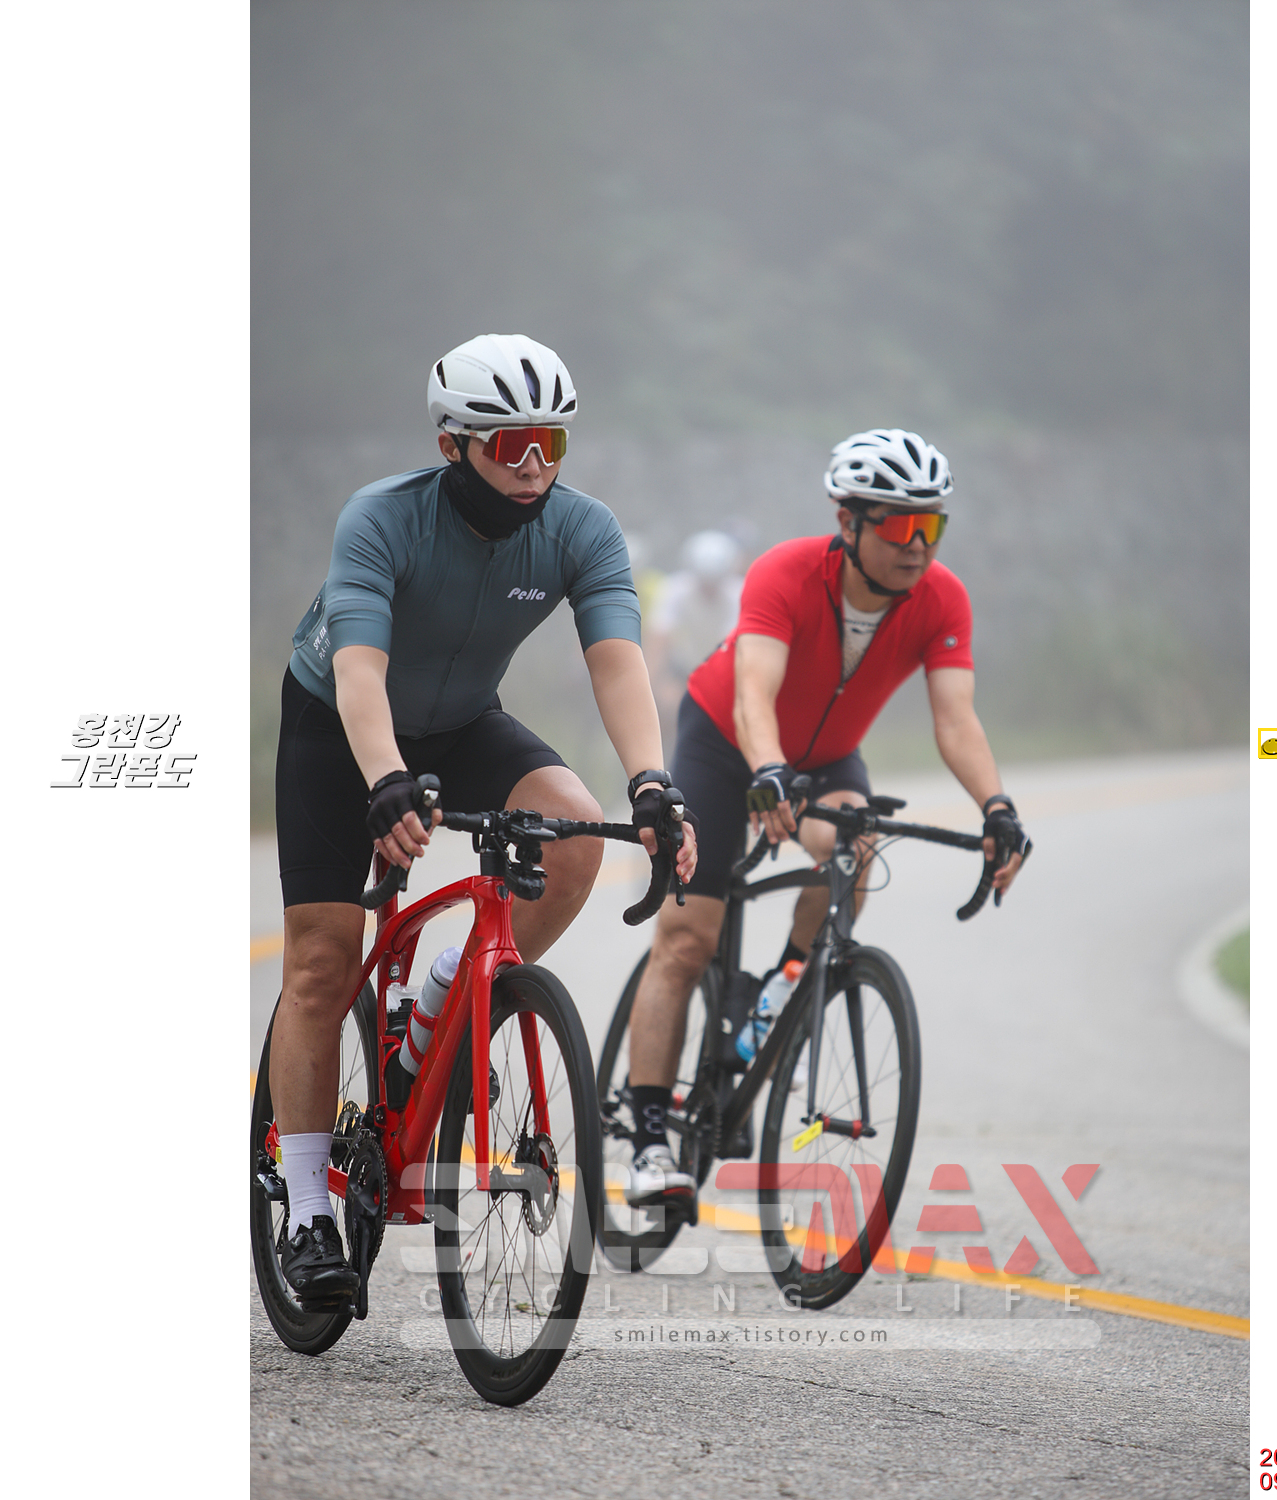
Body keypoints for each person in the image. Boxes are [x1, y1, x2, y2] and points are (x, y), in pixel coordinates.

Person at [271, 333, 697, 1306]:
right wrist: (385, 778)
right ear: (453, 444)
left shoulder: (583, 529)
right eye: (511, 445)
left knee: (573, 832)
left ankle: (440, 1002)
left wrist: (652, 783)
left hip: (463, 721)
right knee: (324, 962)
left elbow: (618, 662)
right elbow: (359, 669)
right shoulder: (382, 516)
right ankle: (306, 1212)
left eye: (552, 441)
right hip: (338, 724)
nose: (536, 463)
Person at [623, 428, 1027, 1218]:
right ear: (848, 522)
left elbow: (956, 719)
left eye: (932, 525)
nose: (918, 545)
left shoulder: (942, 598)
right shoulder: (786, 571)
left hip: (827, 759)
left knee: (853, 847)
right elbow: (753, 692)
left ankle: (780, 991)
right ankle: (647, 1142)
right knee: (687, 940)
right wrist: (767, 770)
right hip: (726, 743)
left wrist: (998, 808)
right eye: (900, 525)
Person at [643, 528, 744, 750]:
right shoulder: (675, 588)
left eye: (714, 583)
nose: (708, 590)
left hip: (721, 669)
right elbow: (659, 638)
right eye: (703, 583)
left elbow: (730, 646)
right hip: (682, 665)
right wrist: (650, 686)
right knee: (668, 710)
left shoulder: (738, 594)